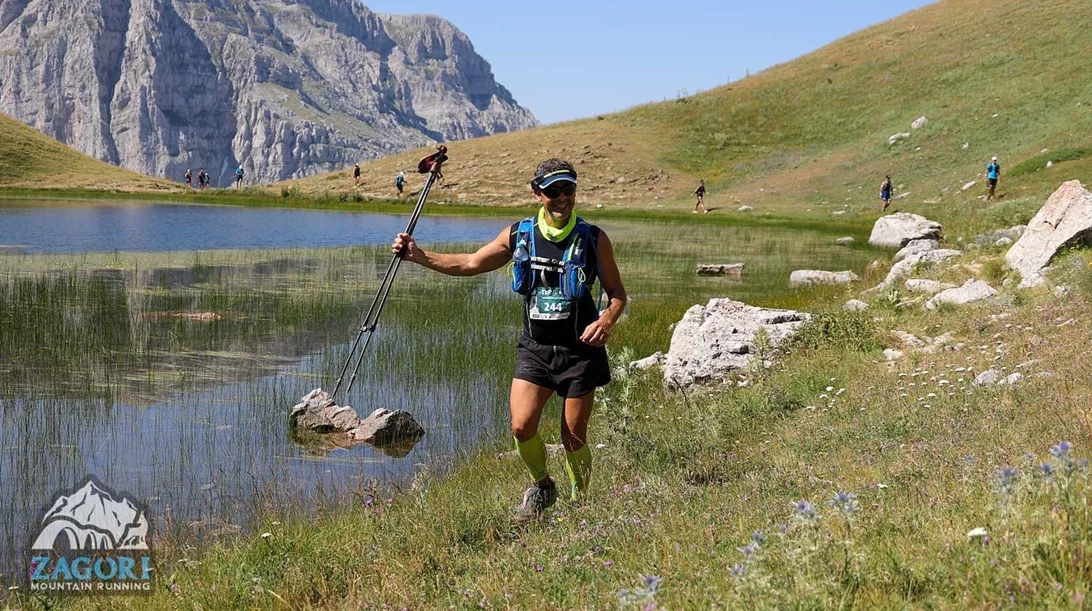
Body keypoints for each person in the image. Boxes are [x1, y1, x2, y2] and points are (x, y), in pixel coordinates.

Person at [391, 158, 627, 522]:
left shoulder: (594, 239)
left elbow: (617, 295)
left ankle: (580, 504)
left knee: (574, 436)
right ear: (537, 193)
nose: (562, 198)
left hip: (581, 352)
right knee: (521, 426)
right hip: (535, 349)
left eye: (568, 189)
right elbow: (470, 263)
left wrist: (606, 320)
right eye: (553, 191)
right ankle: (543, 486)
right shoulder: (519, 235)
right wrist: (420, 257)